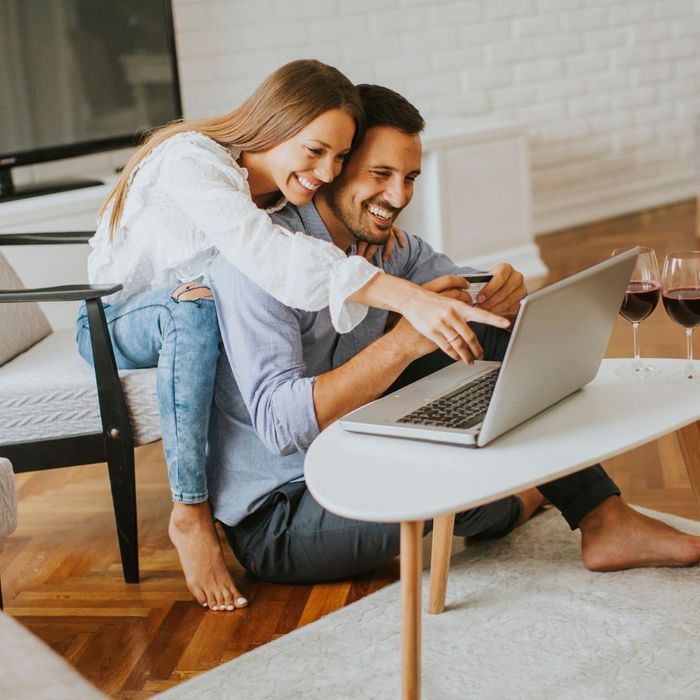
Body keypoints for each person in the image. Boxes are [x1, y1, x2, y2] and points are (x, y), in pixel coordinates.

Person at [206, 84, 700, 584]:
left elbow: (472, 300)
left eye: (410, 178)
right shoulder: (261, 264)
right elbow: (280, 427)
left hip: (361, 448)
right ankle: (519, 498)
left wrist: (503, 294)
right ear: (335, 166)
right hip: (286, 511)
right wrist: (401, 343)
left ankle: (603, 519)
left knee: (496, 335)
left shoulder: (390, 247)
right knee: (457, 490)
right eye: (381, 174)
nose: (398, 197)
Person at [75, 61, 496, 612]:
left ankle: (548, 496)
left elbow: (300, 248)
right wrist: (399, 296)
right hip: (117, 316)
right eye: (316, 151)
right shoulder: (193, 163)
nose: (325, 172)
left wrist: (373, 247)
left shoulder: (279, 194)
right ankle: (190, 512)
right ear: (275, 125)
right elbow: (265, 254)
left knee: (207, 308)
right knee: (195, 313)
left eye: (340, 158)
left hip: (203, 313)